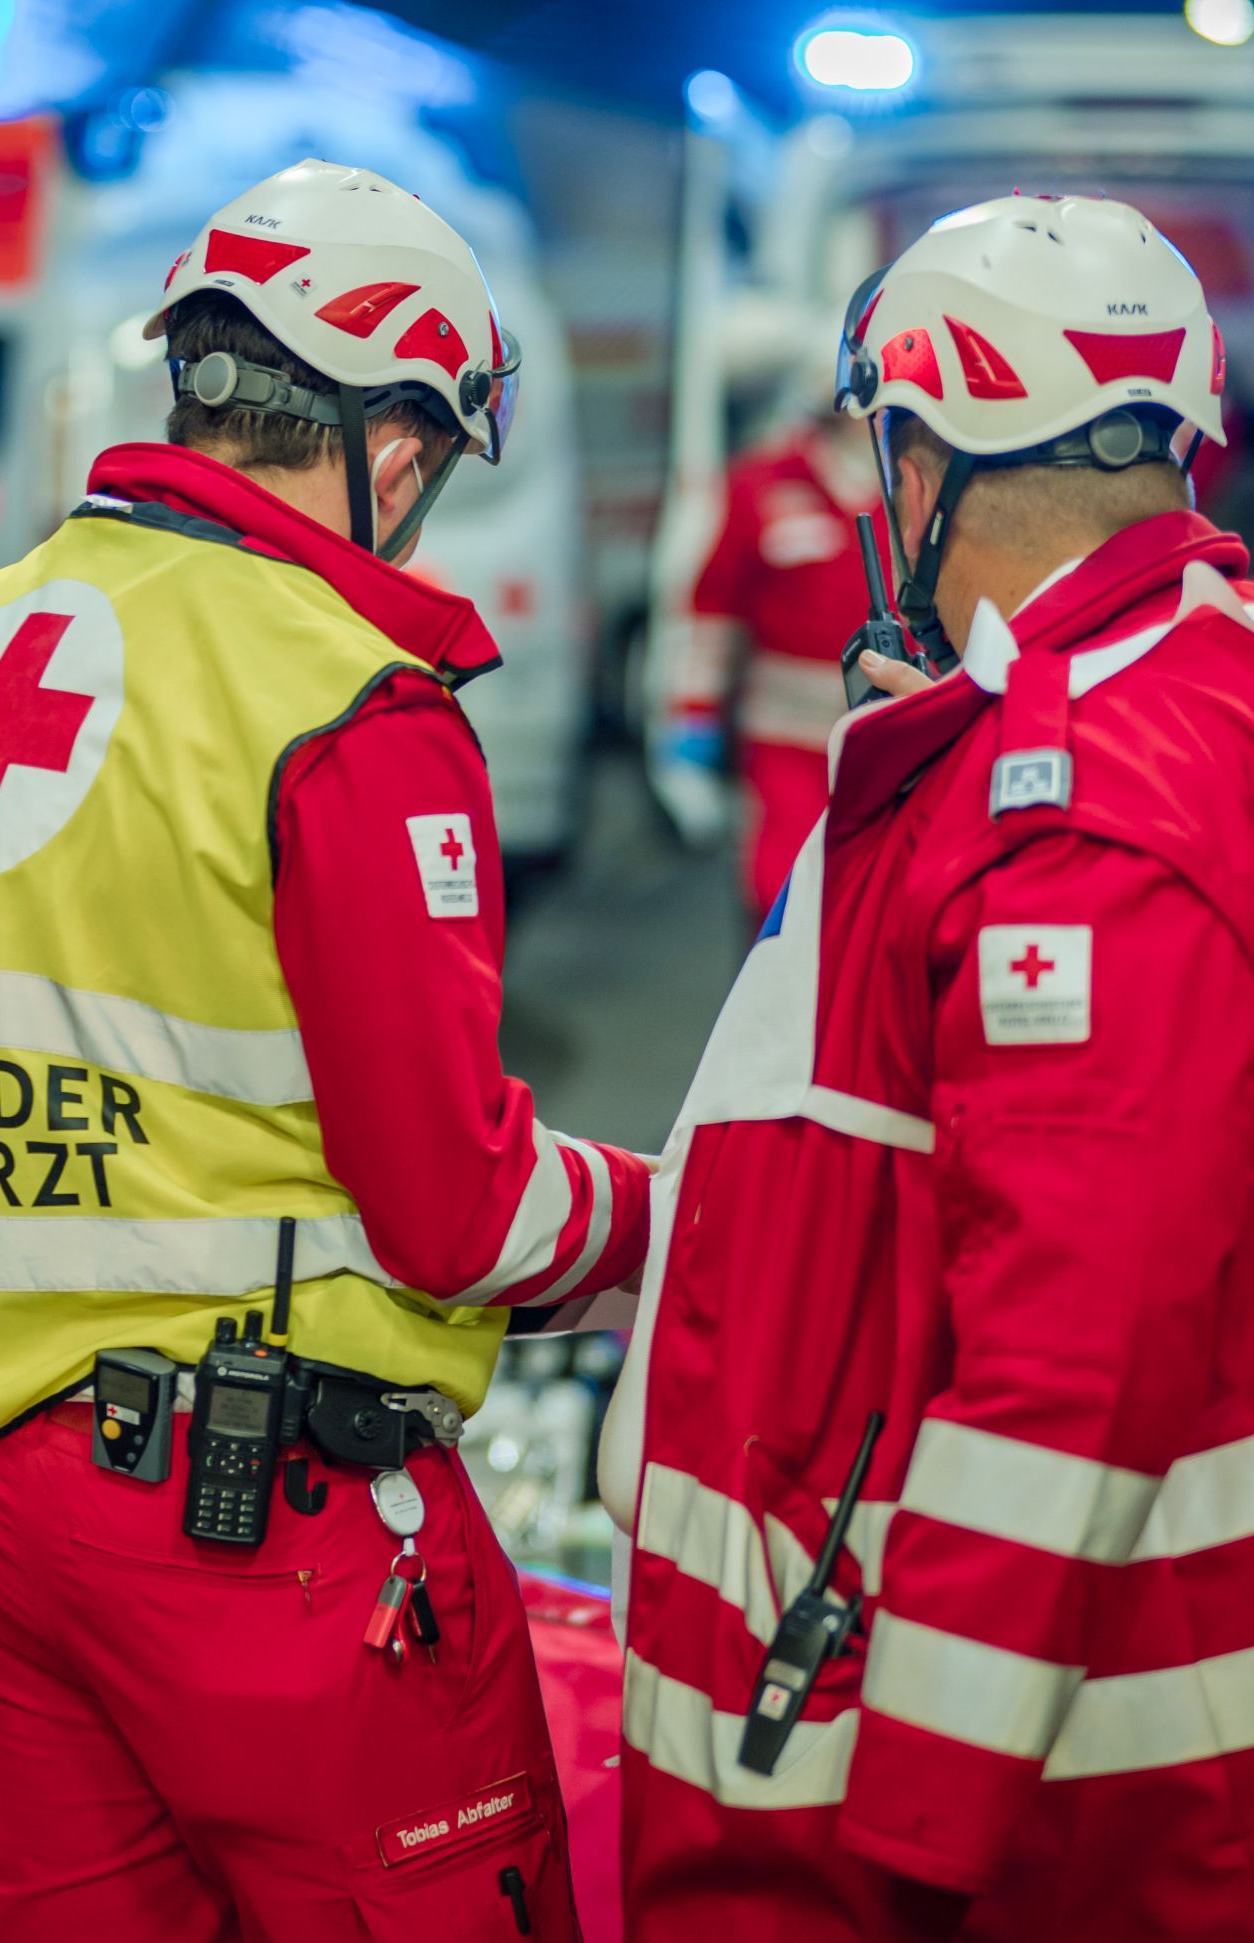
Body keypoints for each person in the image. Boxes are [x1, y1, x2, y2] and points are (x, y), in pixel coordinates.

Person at [0, 159, 652, 1939]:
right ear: (399, 437)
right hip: (268, 1531)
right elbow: (457, 1218)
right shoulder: (344, 701)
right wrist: (678, 1215)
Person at [600, 194, 1254, 1941]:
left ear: (919, 454)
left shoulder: (1088, 793)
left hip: (1020, 1794)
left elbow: (1074, 1338)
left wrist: (917, 1816)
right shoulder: (1137, 705)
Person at [651, 394, 883, 921]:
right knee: (781, 900)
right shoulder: (762, 484)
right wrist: (694, 721)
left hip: (891, 740)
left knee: (879, 906)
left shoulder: (916, 482)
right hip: (786, 748)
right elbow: (712, 613)